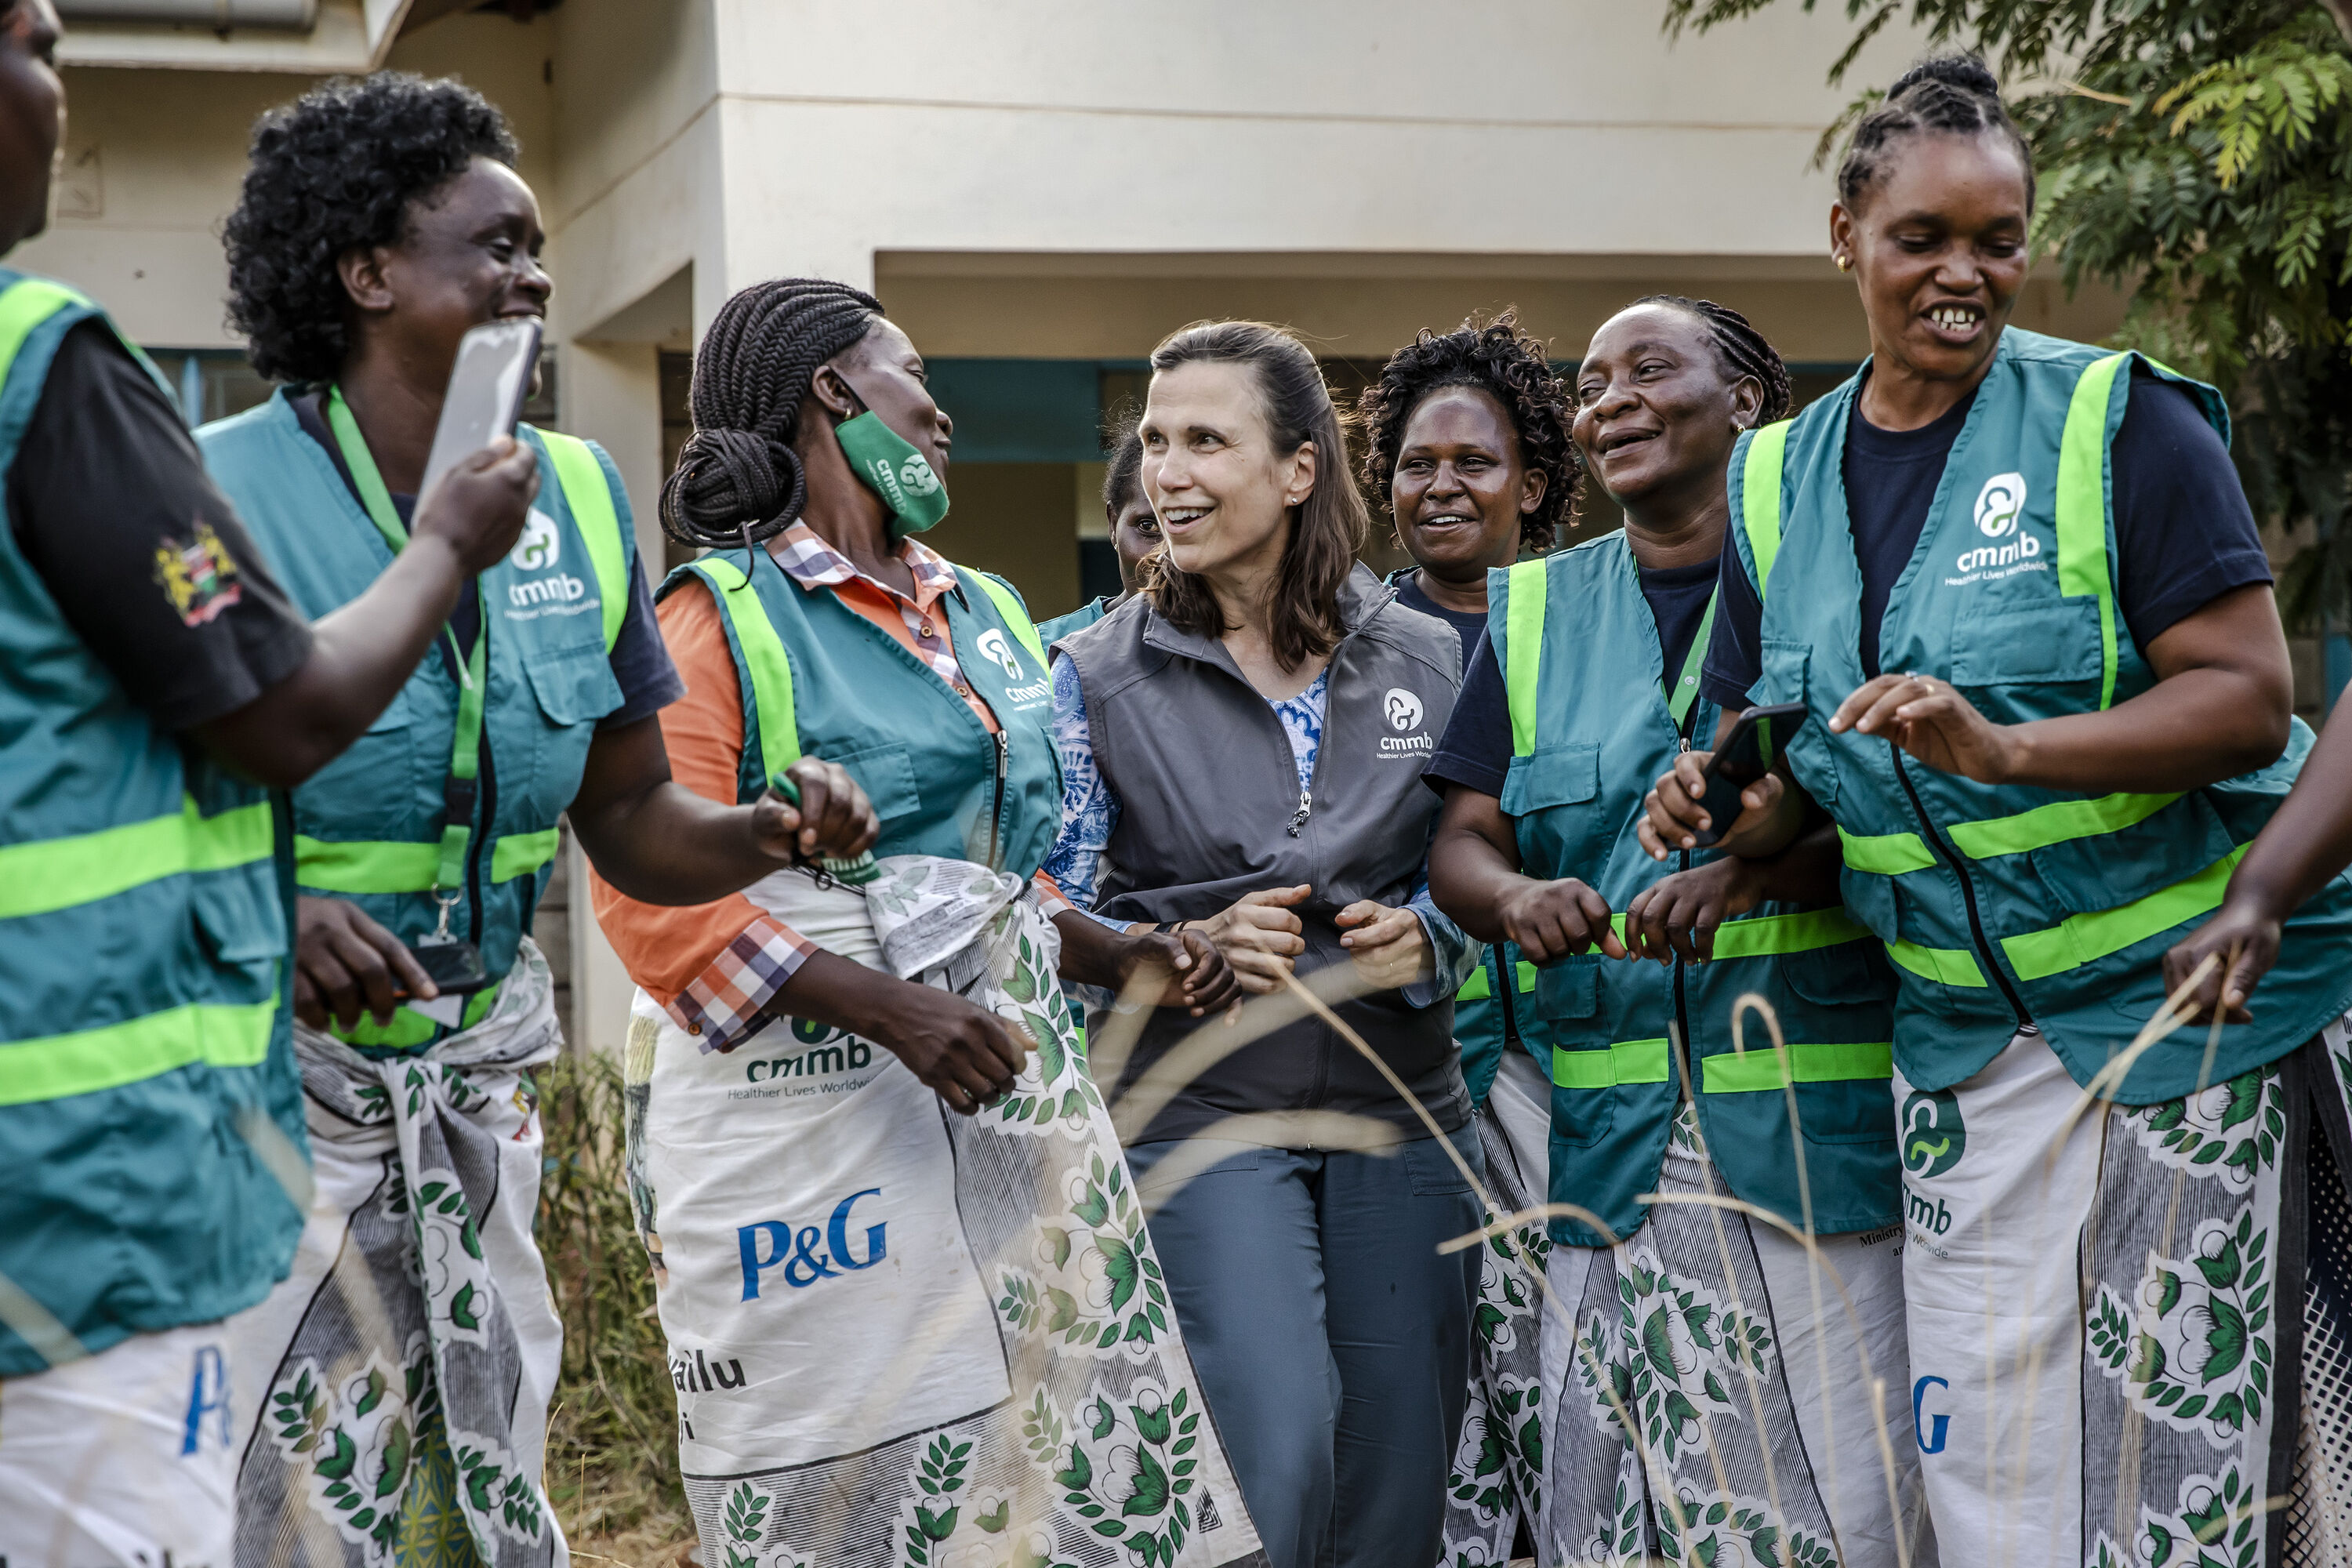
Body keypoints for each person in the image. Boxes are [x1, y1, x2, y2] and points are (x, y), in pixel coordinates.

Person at [1642, 54, 2352, 1567]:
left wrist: (2011, 752)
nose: (1964, 274)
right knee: (1983, 1459)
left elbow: (2245, 692)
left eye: (1999, 239)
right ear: (1847, 237)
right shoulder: (1768, 481)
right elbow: (1787, 778)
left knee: (2172, 1471)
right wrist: (1730, 808)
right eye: (1923, 239)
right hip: (1959, 1040)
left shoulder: (2117, 423)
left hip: (2180, 1024)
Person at [195, 76, 877, 1560]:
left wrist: (764, 832)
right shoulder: (214, 493)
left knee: (479, 1482)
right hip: (263, 1101)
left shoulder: (572, 490)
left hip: (475, 1080)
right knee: (286, 1498)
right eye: (492, 245)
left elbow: (629, 815)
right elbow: (123, 801)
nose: (534, 276)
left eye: (539, 245)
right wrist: (271, 911)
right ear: (365, 273)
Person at [589, 278, 1264, 1567]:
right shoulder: (718, 617)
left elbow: (998, 874)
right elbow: (648, 898)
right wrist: (885, 1008)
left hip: (1009, 1110)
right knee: (883, 1483)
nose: (941, 411)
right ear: (836, 395)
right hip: (814, 1146)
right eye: (912, 376)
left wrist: (1120, 952)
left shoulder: (985, 612)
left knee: (1062, 1479)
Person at [0, 7, 546, 1561]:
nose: (59, 85)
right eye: (38, 43)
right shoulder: (48, 369)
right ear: (364, 275)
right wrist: (444, 549)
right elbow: (277, 710)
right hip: (79, 1189)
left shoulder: (572, 494)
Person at [1426, 296, 1920, 1568]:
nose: (1611, 403)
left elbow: (1901, 814)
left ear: (1747, 402)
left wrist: (1762, 879)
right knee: (1613, 1511)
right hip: (1603, 1159)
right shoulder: (1530, 612)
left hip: (1802, 1147)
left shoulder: (1841, 581)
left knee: (1833, 1503)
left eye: (1651, 370)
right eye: (1590, 387)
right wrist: (1516, 896)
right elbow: (1462, 843)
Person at [1047, 318, 1484, 1568]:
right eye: (1153, 442)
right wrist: (1179, 938)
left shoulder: (1432, 652)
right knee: (1276, 1460)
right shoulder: (1089, 676)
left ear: (1299, 471)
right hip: (1204, 1115)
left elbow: (1488, 865)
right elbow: (1048, 902)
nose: (1167, 472)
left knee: (1398, 1486)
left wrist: (1435, 933)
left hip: (1406, 1114)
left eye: (1204, 441)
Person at [1354, 310, 1579, 1563]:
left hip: (1563, 1075)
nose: (1441, 486)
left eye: (1475, 463)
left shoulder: (1585, 629)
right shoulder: (1342, 640)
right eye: (1416, 464)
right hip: (1403, 1075)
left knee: (1568, 1367)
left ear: (1532, 485)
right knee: (1443, 1399)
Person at [1038, 419, 1159, 648]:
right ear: (1113, 524)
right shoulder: (1049, 649)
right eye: (1148, 526)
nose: (1166, 555)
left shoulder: (1241, 650)